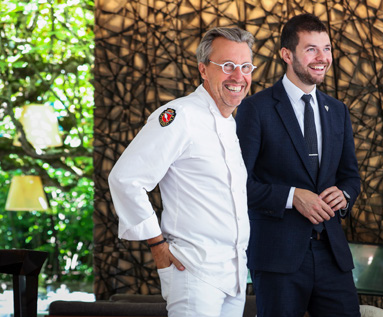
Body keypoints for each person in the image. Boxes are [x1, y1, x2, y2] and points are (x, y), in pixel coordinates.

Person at [108, 27, 256, 317]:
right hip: (193, 273)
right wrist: (157, 245)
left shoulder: (229, 123)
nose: (238, 77)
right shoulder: (180, 116)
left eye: (245, 67)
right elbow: (125, 178)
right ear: (203, 69)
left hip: (234, 277)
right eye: (227, 66)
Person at [235, 13, 361, 317]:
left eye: (327, 48)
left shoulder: (338, 111)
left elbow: (351, 177)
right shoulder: (256, 109)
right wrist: (292, 197)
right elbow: (238, 184)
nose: (322, 58)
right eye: (311, 49)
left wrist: (344, 195)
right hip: (278, 258)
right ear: (287, 55)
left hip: (332, 254)